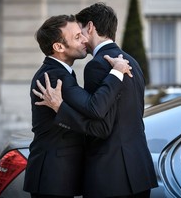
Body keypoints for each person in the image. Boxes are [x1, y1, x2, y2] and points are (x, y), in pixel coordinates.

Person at [34, 3, 158, 198]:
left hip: (111, 175)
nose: (82, 39)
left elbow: (98, 117)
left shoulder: (98, 65)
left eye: (80, 33)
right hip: (138, 170)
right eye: (76, 37)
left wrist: (60, 108)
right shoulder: (130, 61)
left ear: (90, 27)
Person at [23, 14, 133, 198]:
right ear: (58, 47)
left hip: (57, 175)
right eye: (76, 37)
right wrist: (116, 72)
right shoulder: (55, 76)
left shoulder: (60, 72)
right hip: (53, 177)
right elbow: (94, 107)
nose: (84, 39)